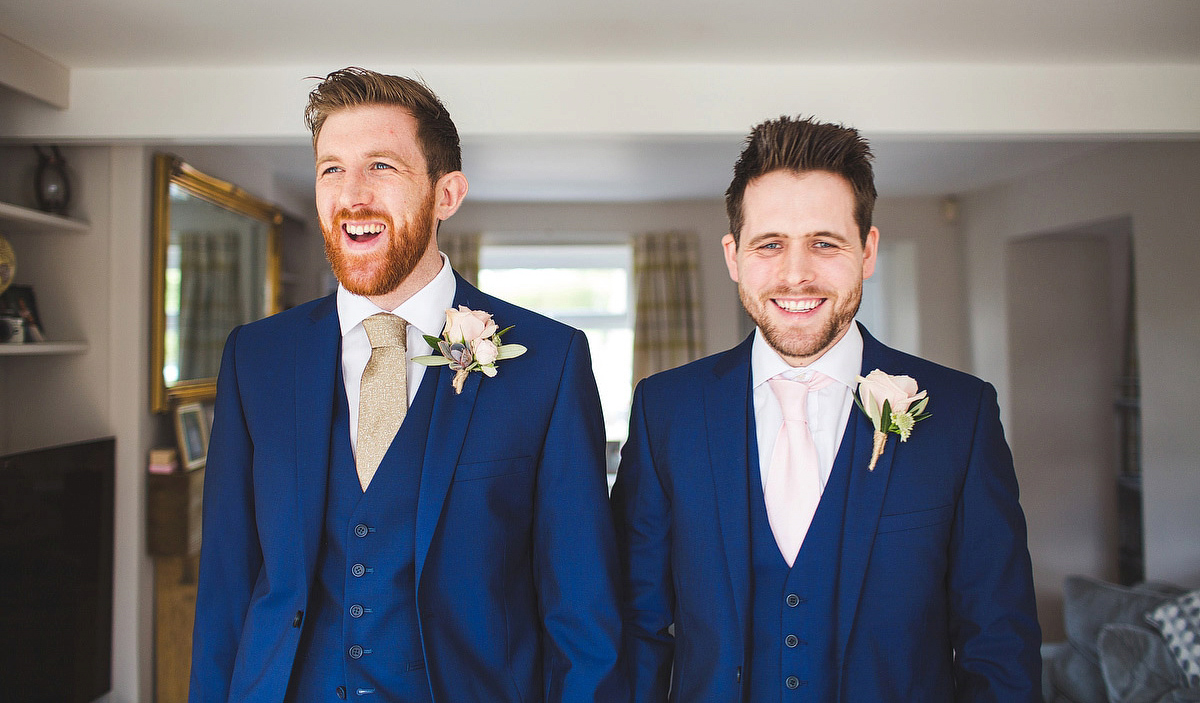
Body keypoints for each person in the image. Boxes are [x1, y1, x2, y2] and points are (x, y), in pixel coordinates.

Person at [189, 68, 624, 703]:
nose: (352, 194)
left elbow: (582, 611)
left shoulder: (549, 362)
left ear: (446, 195)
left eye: (382, 167)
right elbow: (227, 586)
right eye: (331, 169)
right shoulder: (256, 358)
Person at [612, 116, 1040, 703]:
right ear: (734, 256)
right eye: (770, 245)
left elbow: (999, 644)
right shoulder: (665, 412)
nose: (795, 274)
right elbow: (636, 629)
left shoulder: (962, 416)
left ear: (867, 251)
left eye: (824, 243)